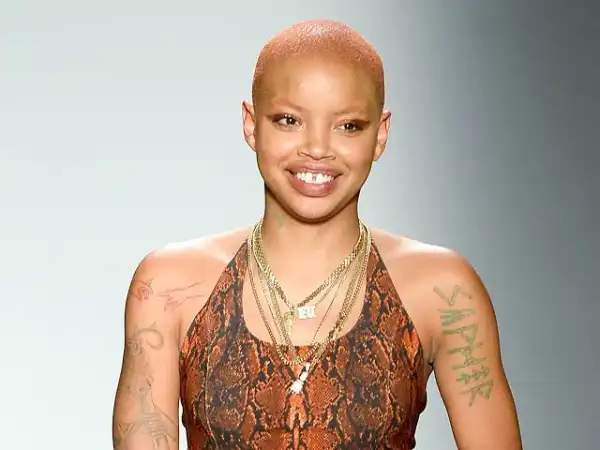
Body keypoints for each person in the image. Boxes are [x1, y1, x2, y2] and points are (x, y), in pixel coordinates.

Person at [111, 19, 522, 450]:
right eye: (289, 120)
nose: (317, 149)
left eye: (348, 126)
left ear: (380, 135)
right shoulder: (169, 288)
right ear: (251, 124)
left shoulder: (444, 292)